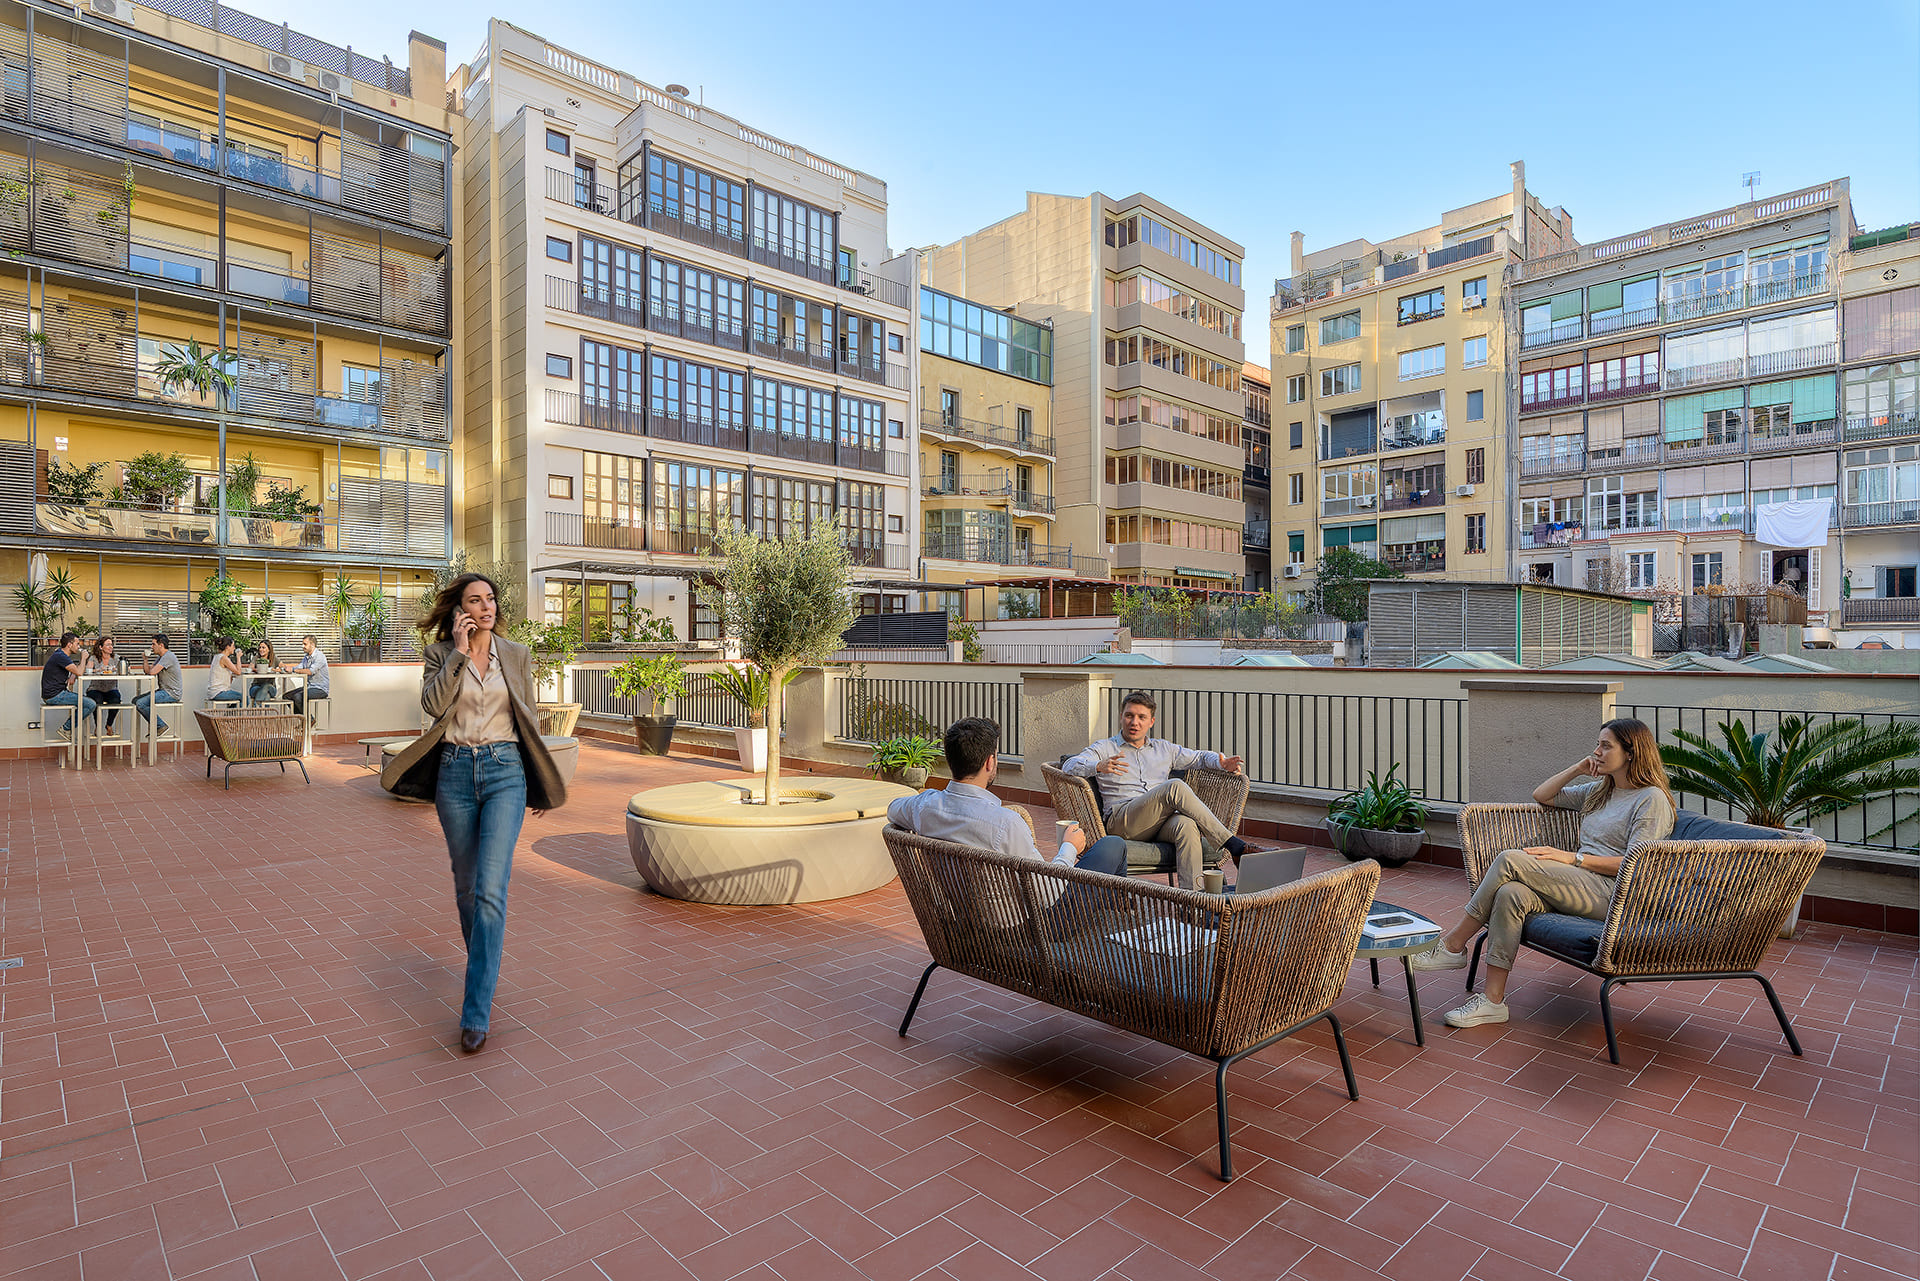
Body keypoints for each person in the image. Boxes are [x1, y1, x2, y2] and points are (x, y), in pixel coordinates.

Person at [380, 573, 566, 1054]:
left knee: (489, 890)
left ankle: (475, 1009)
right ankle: (485, 962)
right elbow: (431, 704)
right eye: (474, 601)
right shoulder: (441, 655)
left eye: (490, 599)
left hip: (506, 772)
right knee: (466, 890)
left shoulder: (517, 655)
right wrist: (460, 653)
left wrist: (538, 782)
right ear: (459, 610)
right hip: (456, 776)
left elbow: (527, 718)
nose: (486, 607)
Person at [1408, 718, 1677, 1029]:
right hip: (1583, 885)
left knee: (1510, 859)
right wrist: (1577, 769)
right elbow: (1543, 795)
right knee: (1511, 894)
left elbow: (1640, 862)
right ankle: (1493, 1002)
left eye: (1606, 746)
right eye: (1598, 744)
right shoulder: (1603, 790)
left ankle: (1453, 945)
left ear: (1631, 753)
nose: (1597, 751)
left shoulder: (1651, 799)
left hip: (1616, 895)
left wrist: (1571, 858)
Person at [890, 716, 1131, 876]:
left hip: (963, 919)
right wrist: (1068, 848)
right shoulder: (1006, 823)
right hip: (1028, 928)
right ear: (989, 762)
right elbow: (1047, 890)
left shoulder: (924, 806)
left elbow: (893, 808)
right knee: (1113, 845)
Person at [1061, 690, 1255, 889]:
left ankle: (1193, 902)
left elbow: (1199, 758)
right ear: (1121, 717)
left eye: (1141, 717)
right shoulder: (1105, 747)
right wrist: (1097, 766)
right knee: (1174, 787)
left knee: (1186, 824)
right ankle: (1235, 846)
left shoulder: (1164, 749)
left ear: (1151, 721)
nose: (1134, 722)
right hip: (1122, 822)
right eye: (1129, 715)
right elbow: (1069, 765)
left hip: (1157, 823)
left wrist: (1221, 763)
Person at [40, 632, 96, 739]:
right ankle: (66, 728)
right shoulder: (61, 656)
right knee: (90, 704)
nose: (78, 647)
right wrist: (83, 658)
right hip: (54, 696)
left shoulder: (60, 654)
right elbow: (79, 672)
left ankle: (67, 728)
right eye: (77, 644)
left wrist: (72, 675)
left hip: (54, 693)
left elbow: (73, 669)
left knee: (87, 702)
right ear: (69, 645)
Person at [134, 633, 182, 737]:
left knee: (141, 703)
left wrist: (149, 667)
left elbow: (152, 673)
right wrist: (145, 659)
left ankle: (160, 725)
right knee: (135, 701)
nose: (151, 647)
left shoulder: (168, 656)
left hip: (171, 693)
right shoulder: (161, 657)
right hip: (163, 691)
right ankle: (158, 725)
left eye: (153, 644)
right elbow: (148, 671)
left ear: (161, 645)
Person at [280, 635, 329, 719]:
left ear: (312, 645)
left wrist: (293, 670)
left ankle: (309, 720)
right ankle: (304, 719)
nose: (303, 646)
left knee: (298, 697)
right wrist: (286, 668)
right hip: (309, 686)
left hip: (320, 688)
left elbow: (310, 671)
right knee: (286, 696)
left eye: (305, 644)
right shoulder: (306, 657)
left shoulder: (319, 656)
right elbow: (299, 667)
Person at [82, 637, 124, 735]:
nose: (111, 647)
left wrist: (116, 670)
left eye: (111, 645)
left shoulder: (116, 658)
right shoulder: (94, 658)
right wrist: (98, 670)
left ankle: (109, 725)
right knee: (97, 701)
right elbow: (87, 671)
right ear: (101, 647)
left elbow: (123, 670)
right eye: (108, 645)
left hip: (111, 688)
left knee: (116, 700)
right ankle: (98, 726)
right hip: (95, 688)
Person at [205, 637, 243, 706]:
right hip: (218, 692)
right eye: (233, 646)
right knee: (244, 698)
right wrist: (238, 657)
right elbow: (238, 672)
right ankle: (235, 716)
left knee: (236, 699)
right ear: (228, 647)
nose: (234, 648)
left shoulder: (217, 656)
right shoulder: (224, 658)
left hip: (214, 692)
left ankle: (230, 716)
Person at [247, 639, 280, 706]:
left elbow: (283, 667)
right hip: (256, 687)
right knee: (266, 695)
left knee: (266, 685)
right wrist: (258, 669)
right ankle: (265, 716)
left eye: (263, 647)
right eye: (260, 647)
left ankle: (256, 707)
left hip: (271, 688)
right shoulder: (256, 658)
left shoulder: (274, 659)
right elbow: (250, 667)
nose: (261, 649)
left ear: (269, 649)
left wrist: (274, 670)